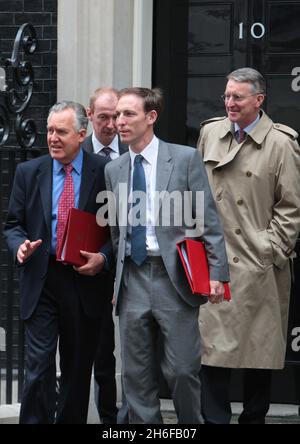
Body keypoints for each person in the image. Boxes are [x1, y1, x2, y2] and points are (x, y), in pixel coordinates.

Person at [104, 87, 230, 424]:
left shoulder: (185, 158)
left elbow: (207, 218)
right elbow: (116, 233)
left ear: (151, 117)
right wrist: (117, 281)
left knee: (183, 370)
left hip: (172, 278)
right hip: (131, 279)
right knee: (136, 376)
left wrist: (218, 273)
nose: (119, 121)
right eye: (117, 115)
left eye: (128, 114)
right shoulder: (114, 169)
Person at [197, 67, 300, 424]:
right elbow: (195, 194)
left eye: (237, 97)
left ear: (259, 100)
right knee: (213, 354)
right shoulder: (210, 133)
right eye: (226, 96)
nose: (230, 103)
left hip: (259, 265)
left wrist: (269, 249)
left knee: (258, 355)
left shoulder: (282, 143)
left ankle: (253, 420)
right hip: (215, 261)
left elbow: (290, 208)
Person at [3, 101, 112, 424]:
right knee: (38, 367)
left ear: (81, 134)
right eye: (50, 130)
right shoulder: (29, 172)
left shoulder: (105, 172)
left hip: (84, 281)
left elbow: (118, 230)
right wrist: (19, 247)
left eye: (61, 132)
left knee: (78, 371)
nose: (52, 137)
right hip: (42, 278)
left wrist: (103, 258)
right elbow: (12, 225)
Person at [82, 87, 128, 424]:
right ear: (89, 114)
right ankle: (108, 421)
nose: (111, 124)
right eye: (104, 117)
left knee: (137, 349)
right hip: (90, 266)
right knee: (100, 353)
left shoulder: (135, 151)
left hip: (132, 264)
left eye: (117, 116)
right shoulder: (75, 151)